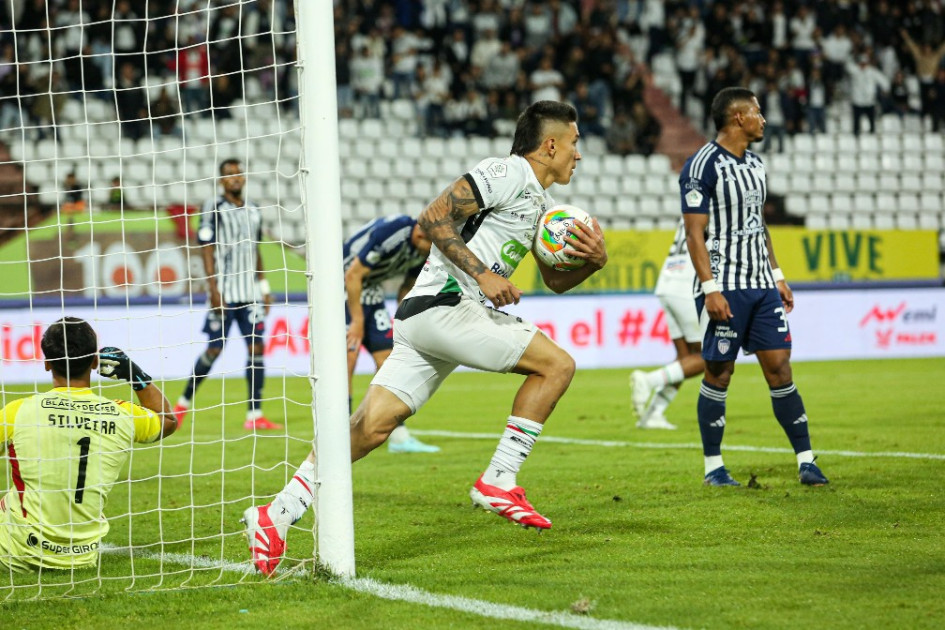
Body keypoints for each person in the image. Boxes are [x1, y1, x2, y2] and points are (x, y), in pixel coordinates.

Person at [241, 100, 608, 576]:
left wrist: (593, 263)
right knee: (557, 365)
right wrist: (483, 275)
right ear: (551, 143)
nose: (578, 154)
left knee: (370, 428)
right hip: (448, 306)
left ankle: (277, 514)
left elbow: (556, 281)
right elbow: (433, 217)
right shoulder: (506, 171)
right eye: (574, 143)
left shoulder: (543, 205)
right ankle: (499, 477)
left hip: (425, 318)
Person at [680, 87, 828, 488]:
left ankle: (807, 461)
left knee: (780, 368)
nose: (763, 119)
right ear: (737, 118)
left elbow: (758, 225)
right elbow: (695, 234)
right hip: (725, 286)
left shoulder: (757, 165)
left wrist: (777, 276)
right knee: (719, 373)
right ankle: (714, 467)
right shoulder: (702, 166)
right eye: (758, 113)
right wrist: (710, 288)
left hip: (761, 286)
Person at [0, 317, 177, 572]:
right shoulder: (121, 413)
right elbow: (168, 420)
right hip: (82, 556)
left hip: (18, 555)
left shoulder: (18, 411)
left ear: (47, 363)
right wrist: (134, 374)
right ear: (95, 362)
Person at [174, 159, 277, 431]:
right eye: (228, 175)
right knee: (214, 349)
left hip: (251, 292)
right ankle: (182, 404)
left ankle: (254, 415)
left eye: (238, 173)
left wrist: (264, 288)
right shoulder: (213, 206)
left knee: (256, 348)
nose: (234, 178)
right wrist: (213, 289)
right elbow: (206, 248)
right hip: (225, 291)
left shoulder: (254, 209)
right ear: (221, 181)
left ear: (243, 177)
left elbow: (255, 250)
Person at [342, 214, 439, 453]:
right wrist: (357, 320)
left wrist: (403, 318)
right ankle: (339, 433)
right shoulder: (394, 233)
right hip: (342, 286)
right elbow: (352, 275)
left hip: (371, 291)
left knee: (388, 361)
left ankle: (398, 437)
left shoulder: (425, 247)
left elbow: (407, 286)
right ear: (418, 234)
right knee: (348, 357)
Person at [629, 218, 703, 431]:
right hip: (688, 285)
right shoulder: (719, 206)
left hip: (668, 281)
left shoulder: (692, 205)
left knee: (684, 359)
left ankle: (653, 414)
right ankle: (649, 380)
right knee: (708, 357)